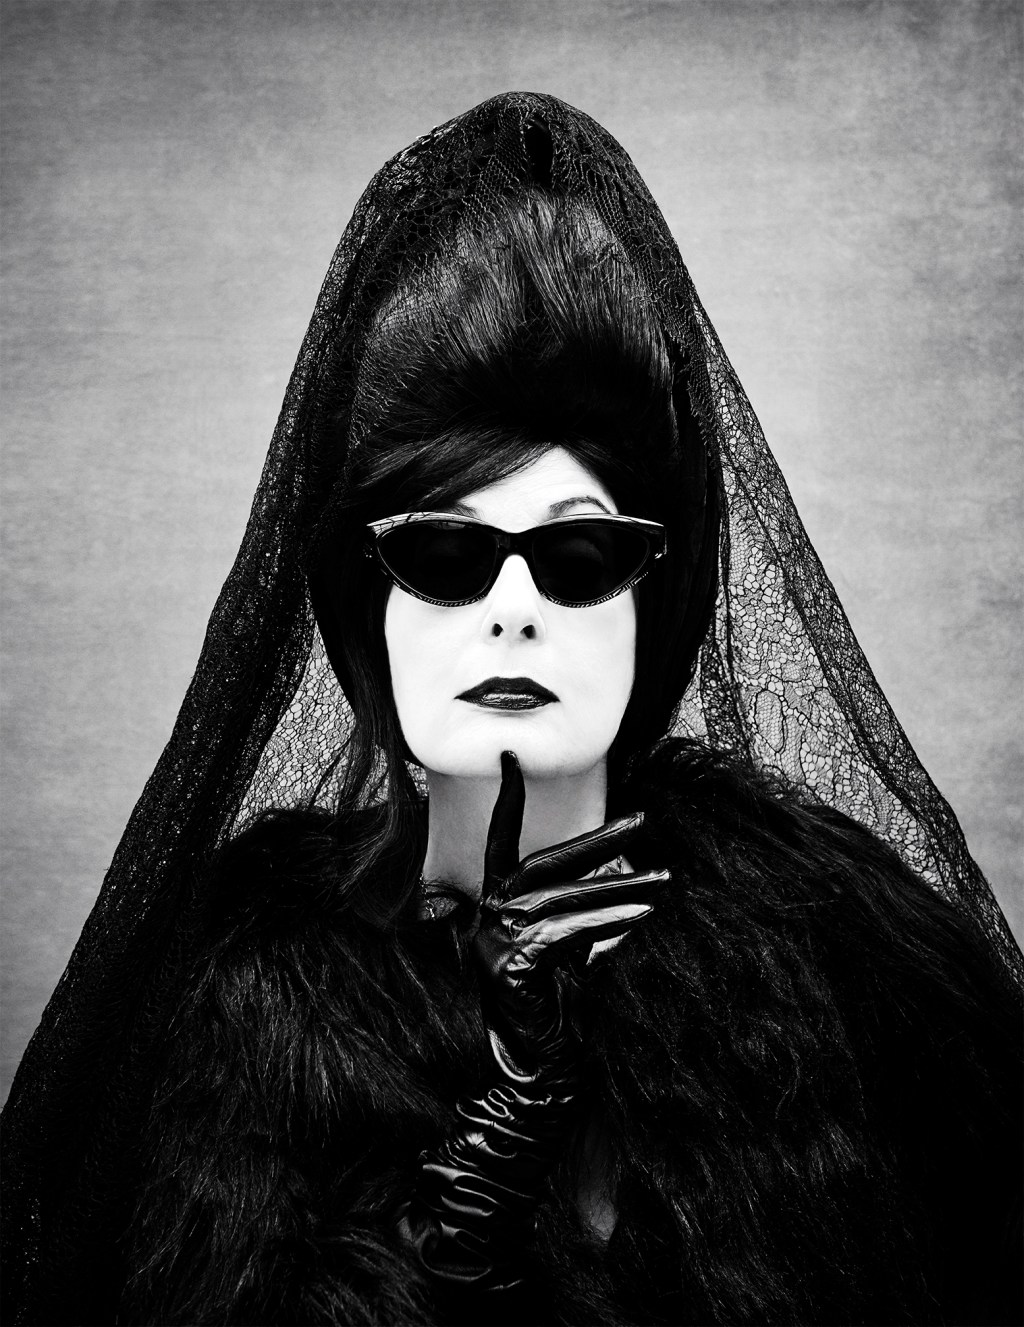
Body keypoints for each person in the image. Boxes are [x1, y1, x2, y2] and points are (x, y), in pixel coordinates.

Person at [1, 92, 1020, 1327]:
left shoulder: (832, 940)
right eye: (445, 553)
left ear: (657, 601)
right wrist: (505, 1128)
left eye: (581, 555)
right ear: (366, 604)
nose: (513, 610)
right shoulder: (249, 998)